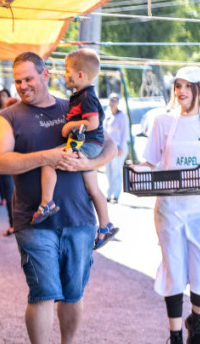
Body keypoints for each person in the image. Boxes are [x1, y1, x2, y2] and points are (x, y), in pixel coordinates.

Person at [0, 52, 116, 344]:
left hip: (80, 218)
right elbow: (0, 161)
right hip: (33, 220)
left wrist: (91, 161)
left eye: (28, 78)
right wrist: (47, 156)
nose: (22, 85)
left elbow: (110, 145)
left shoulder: (73, 105)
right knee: (43, 291)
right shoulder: (9, 117)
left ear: (45, 74)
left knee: (73, 292)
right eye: (18, 80)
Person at [136, 66, 200, 344]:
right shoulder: (163, 121)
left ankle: (195, 321)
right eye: (177, 86)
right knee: (173, 272)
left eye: (186, 86)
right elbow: (150, 160)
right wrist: (137, 169)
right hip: (169, 208)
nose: (180, 91)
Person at [33, 48, 118, 250]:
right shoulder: (81, 95)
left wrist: (68, 127)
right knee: (93, 188)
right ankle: (105, 226)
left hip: (87, 144)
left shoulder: (86, 97)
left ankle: (47, 203)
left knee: (48, 162)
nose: (64, 74)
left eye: (67, 70)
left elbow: (92, 122)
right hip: (91, 145)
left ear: (80, 75)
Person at [0, 89, 16, 236]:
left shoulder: (7, 121)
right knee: (9, 192)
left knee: (11, 193)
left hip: (12, 164)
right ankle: (13, 224)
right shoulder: (1, 119)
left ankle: (14, 224)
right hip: (7, 164)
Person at [104, 93, 130, 203]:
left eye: (115, 100)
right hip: (107, 147)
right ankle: (109, 194)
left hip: (118, 146)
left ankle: (116, 194)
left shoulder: (122, 116)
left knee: (116, 170)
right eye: (111, 100)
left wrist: (121, 147)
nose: (113, 103)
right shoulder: (107, 114)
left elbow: (124, 133)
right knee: (108, 171)